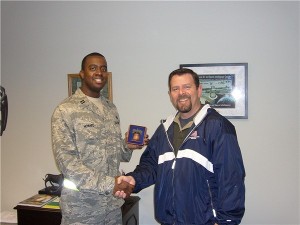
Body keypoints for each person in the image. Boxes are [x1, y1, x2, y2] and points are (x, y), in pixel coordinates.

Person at [115, 68, 246, 225]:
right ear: (170, 94)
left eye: (187, 87)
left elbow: (231, 179)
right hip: (169, 221)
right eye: (175, 89)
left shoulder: (218, 126)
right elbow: (150, 166)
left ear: (199, 90)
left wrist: (226, 221)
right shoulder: (165, 129)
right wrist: (133, 179)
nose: (181, 93)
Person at [51, 52, 146, 225]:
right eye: (93, 68)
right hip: (81, 209)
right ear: (82, 74)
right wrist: (112, 184)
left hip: (111, 207)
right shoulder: (65, 110)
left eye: (103, 69)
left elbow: (116, 154)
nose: (99, 73)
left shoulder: (110, 108)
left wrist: (128, 146)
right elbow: (67, 163)